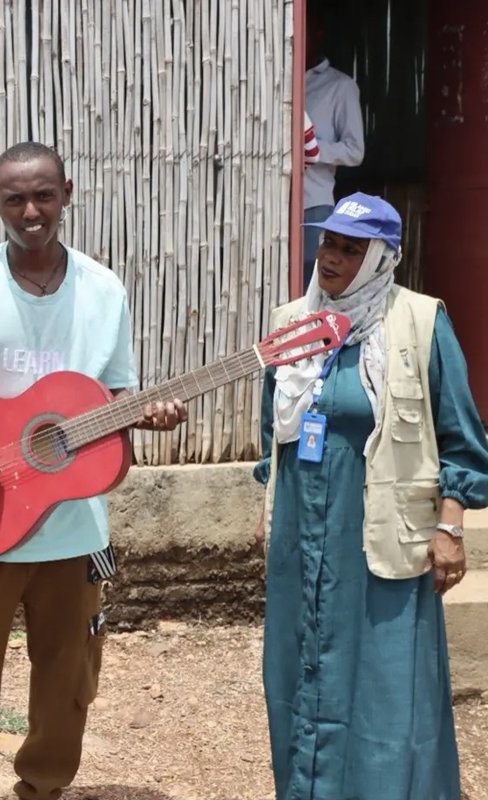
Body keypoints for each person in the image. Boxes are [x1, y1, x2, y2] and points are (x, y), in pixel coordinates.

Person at [0, 141, 187, 800]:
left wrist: (144, 414)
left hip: (74, 531)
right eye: (15, 199)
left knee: (67, 684)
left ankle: (43, 791)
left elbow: (113, 397)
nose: (31, 212)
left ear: (67, 193)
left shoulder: (103, 290)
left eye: (44, 195)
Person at [255, 192, 486, 800]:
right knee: (298, 671)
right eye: (328, 242)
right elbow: (271, 431)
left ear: (381, 258)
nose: (331, 257)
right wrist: (269, 504)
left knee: (387, 683)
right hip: (301, 531)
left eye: (351, 249)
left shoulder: (419, 322)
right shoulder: (290, 323)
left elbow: (461, 439)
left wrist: (450, 526)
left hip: (382, 533)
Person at [303, 6, 365, 285]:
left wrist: (313, 149)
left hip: (314, 203)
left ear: (318, 35)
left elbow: (355, 150)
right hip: (267, 201)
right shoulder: (276, 80)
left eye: (303, 31)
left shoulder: (340, 86)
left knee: (311, 284)